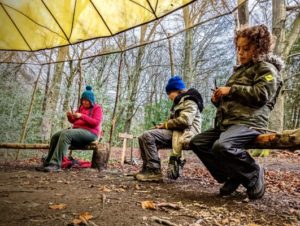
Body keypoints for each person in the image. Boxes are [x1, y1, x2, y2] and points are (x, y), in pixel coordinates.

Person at [190, 25, 283, 199]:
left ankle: (253, 173)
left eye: (246, 49)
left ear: (259, 48)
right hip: (229, 124)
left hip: (250, 123)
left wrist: (231, 90)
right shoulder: (239, 72)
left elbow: (261, 95)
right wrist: (218, 100)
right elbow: (232, 101)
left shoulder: (267, 69)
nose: (240, 53)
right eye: (238, 48)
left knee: (223, 146)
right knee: (198, 142)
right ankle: (233, 176)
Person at [135, 76, 203, 182]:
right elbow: (173, 123)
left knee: (148, 135)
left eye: (169, 93)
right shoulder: (180, 102)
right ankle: (147, 169)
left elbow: (185, 121)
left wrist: (165, 125)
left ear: (176, 90)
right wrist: (162, 126)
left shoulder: (189, 101)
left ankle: (154, 171)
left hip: (186, 134)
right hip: (177, 133)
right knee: (142, 137)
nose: (168, 97)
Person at [36, 85, 103, 172]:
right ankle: (48, 162)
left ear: (92, 101)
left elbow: (96, 123)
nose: (85, 102)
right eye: (83, 100)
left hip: (90, 133)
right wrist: (70, 116)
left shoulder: (97, 108)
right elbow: (73, 121)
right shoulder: (80, 108)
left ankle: (56, 164)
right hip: (77, 131)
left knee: (66, 134)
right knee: (55, 136)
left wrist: (82, 116)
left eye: (87, 101)